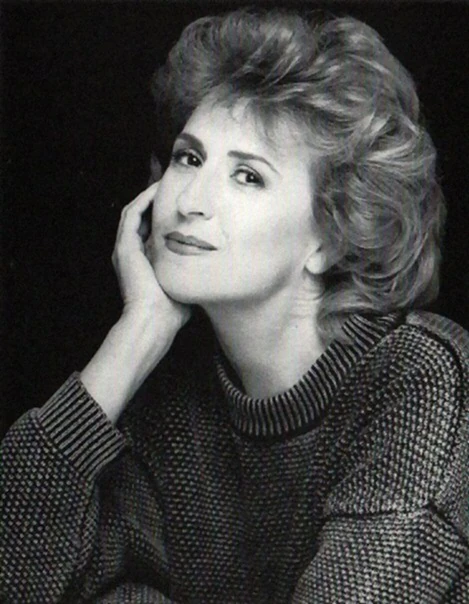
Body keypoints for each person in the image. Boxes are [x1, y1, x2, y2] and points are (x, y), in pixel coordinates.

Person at [1, 7, 468, 603]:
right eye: (189, 158)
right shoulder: (165, 396)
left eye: (248, 176)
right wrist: (136, 336)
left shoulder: (422, 380)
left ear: (330, 237)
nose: (190, 200)